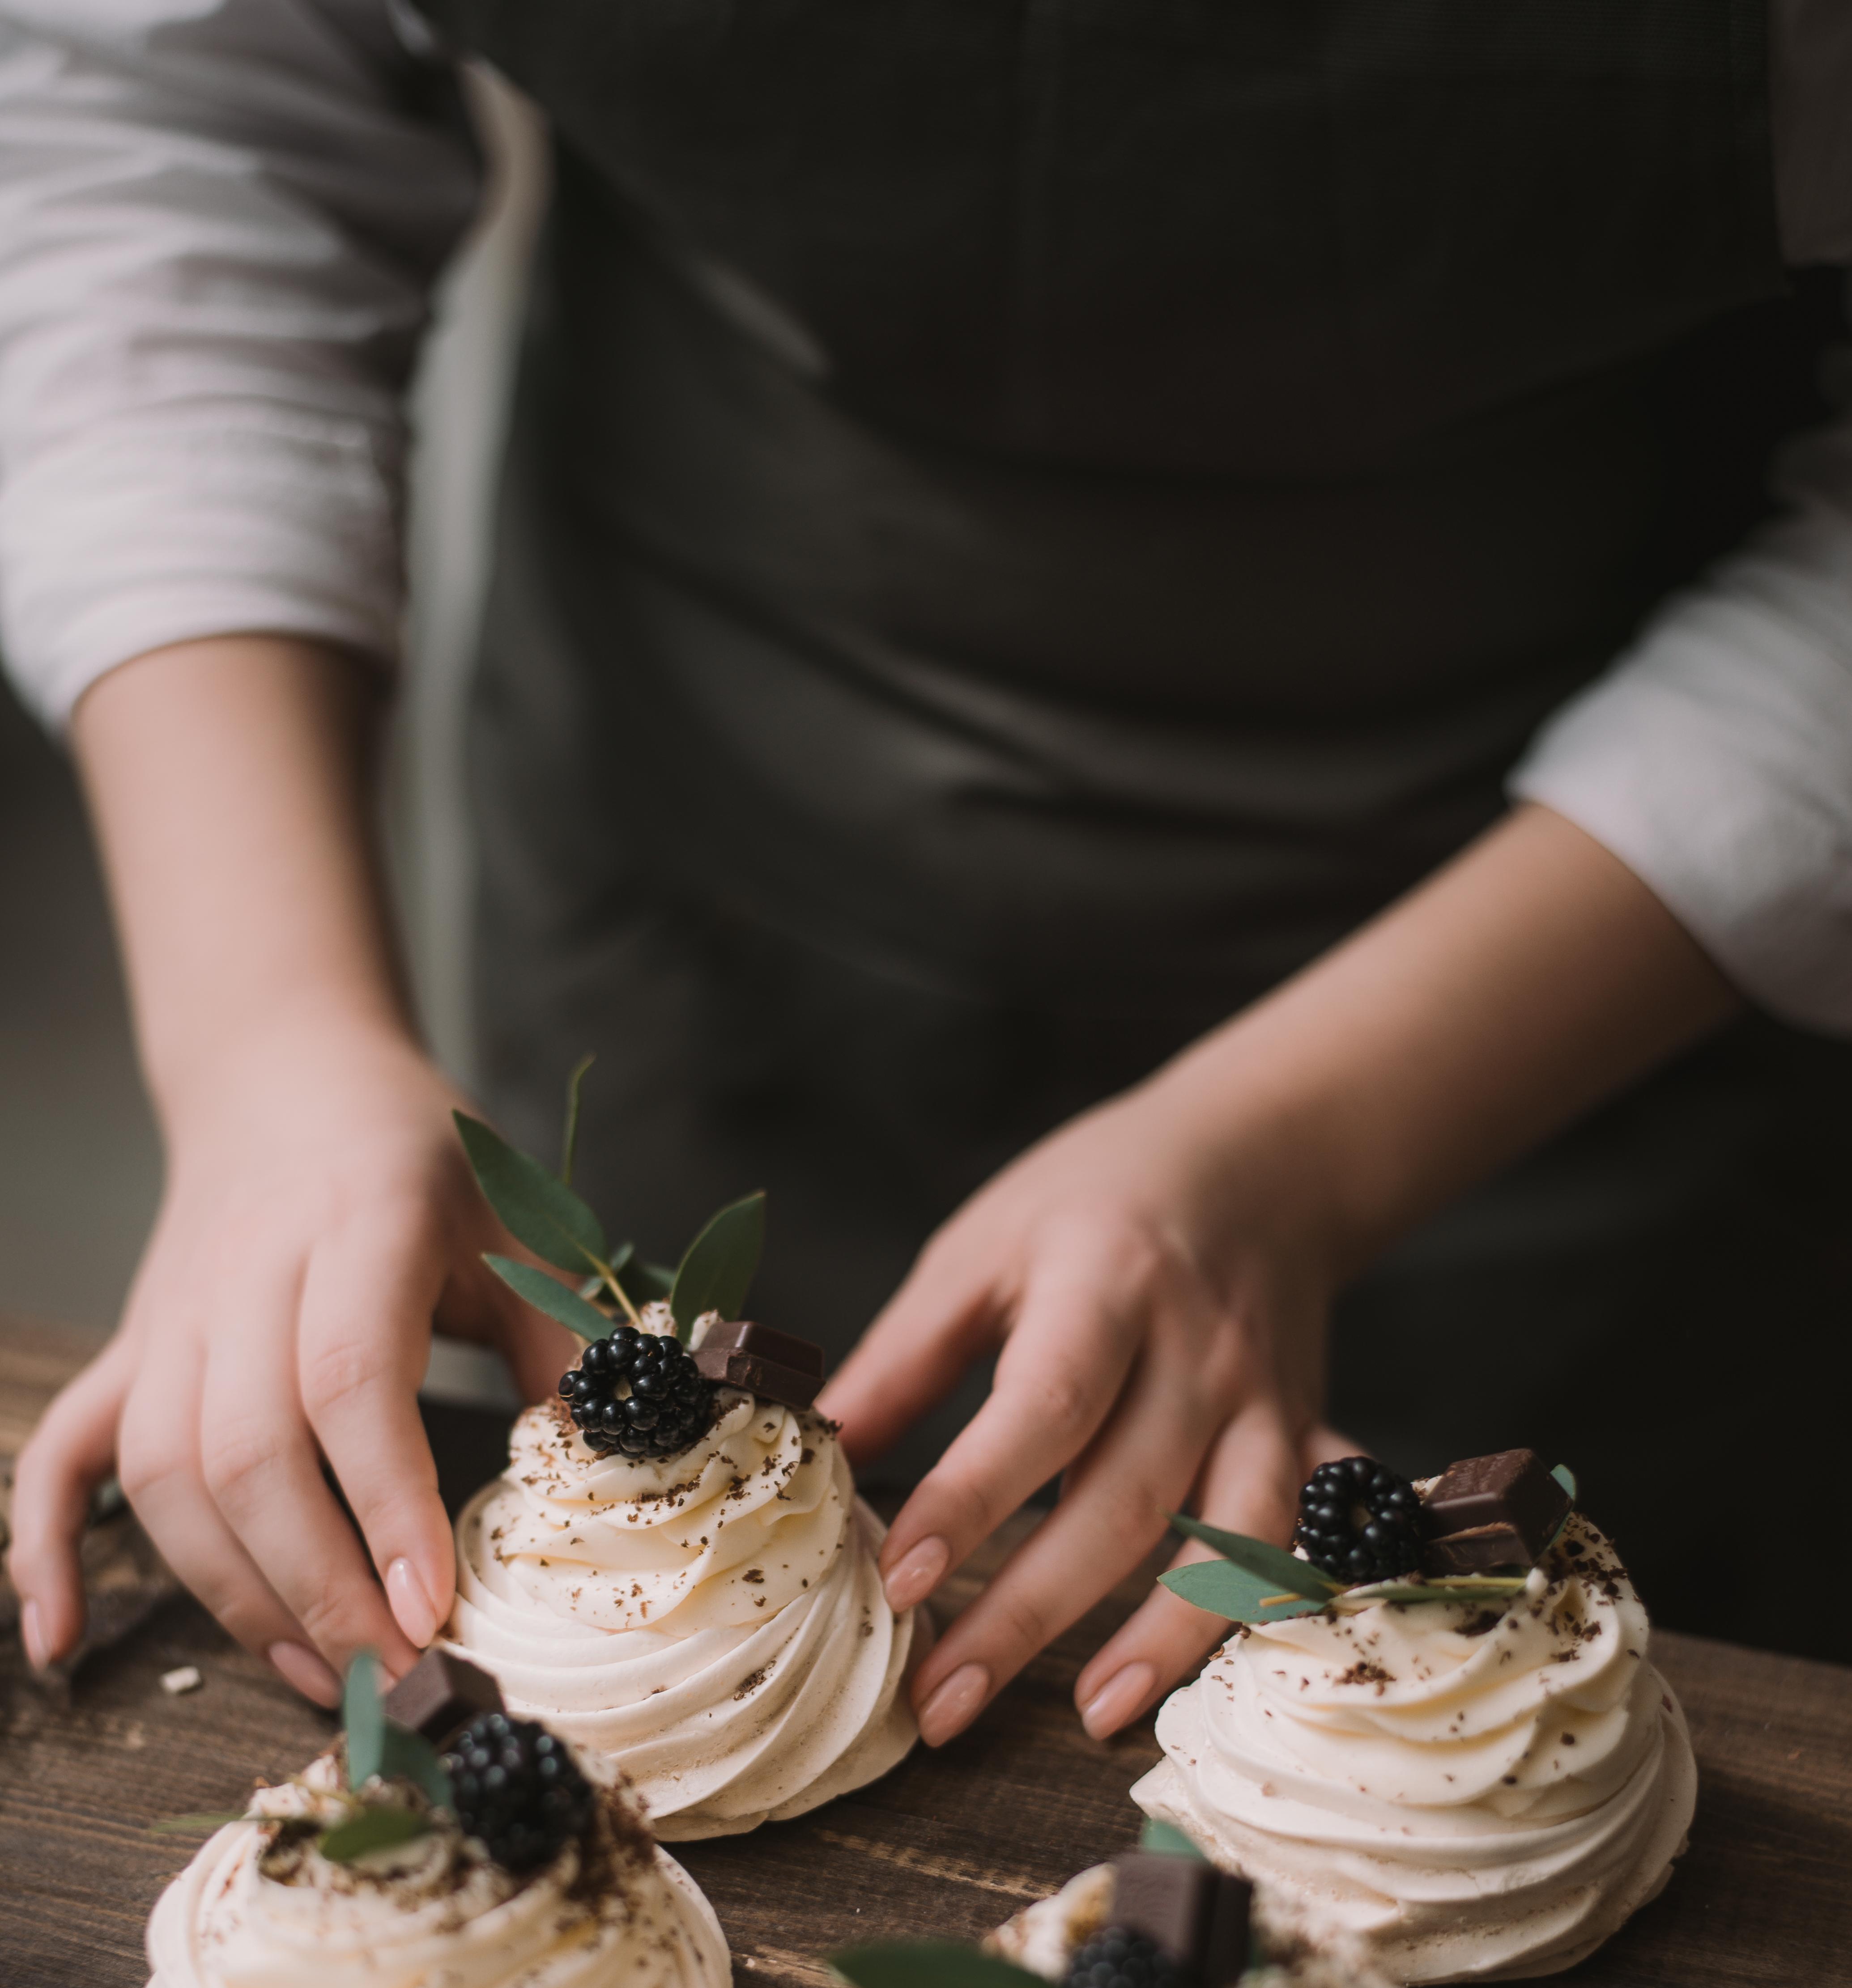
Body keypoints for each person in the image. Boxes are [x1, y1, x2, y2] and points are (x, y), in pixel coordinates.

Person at [2, 0, 1850, 1741]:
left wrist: (1312, 1142)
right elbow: (163, 106)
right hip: (690, 862)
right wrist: (267, 1039)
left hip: (1623, 987)